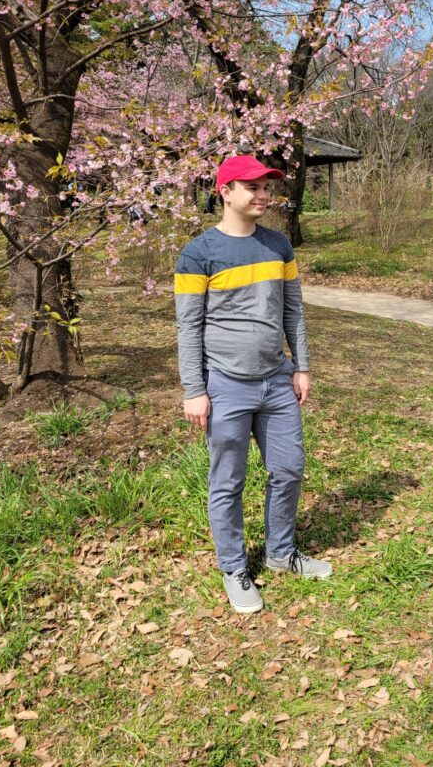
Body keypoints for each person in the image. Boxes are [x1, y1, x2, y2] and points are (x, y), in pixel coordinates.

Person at [174, 154, 332, 615]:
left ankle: (281, 554)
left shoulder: (279, 245)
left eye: (267, 187)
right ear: (226, 192)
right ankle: (234, 567)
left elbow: (293, 311)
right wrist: (193, 390)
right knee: (229, 480)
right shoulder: (198, 253)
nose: (265, 195)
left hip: (277, 381)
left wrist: (300, 366)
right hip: (225, 385)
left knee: (289, 469)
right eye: (254, 187)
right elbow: (188, 327)